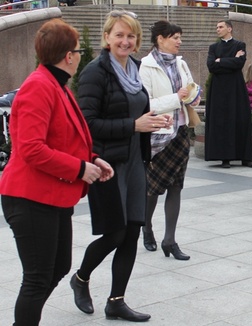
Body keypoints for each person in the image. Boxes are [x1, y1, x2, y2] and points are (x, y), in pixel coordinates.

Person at [0, 19, 113, 326]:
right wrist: (80, 169)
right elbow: (31, 148)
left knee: (59, 267)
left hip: (52, 197)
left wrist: (92, 159)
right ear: (69, 55)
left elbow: (62, 139)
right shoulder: (39, 87)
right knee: (37, 279)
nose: (80, 55)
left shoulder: (57, 86)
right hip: (29, 197)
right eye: (78, 50)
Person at [72, 10, 168, 322]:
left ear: (137, 40)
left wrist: (152, 121)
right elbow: (86, 124)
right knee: (114, 233)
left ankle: (116, 301)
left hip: (135, 161)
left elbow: (137, 110)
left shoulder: (135, 69)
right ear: (108, 38)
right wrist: (133, 125)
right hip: (107, 165)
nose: (125, 41)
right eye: (119, 35)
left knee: (132, 233)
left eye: (130, 36)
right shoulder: (95, 72)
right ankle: (81, 278)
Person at [139, 21, 200, 260]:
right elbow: (147, 104)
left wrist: (193, 97)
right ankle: (146, 227)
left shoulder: (181, 63)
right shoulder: (146, 66)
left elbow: (191, 90)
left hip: (181, 131)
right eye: (175, 37)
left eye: (180, 37)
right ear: (160, 39)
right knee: (153, 189)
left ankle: (170, 240)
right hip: (158, 135)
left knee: (176, 186)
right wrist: (176, 98)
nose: (179, 41)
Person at [205, 20, 252, 169]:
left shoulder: (240, 45)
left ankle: (246, 158)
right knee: (222, 121)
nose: (217, 29)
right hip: (219, 90)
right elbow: (211, 66)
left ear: (229, 29)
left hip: (236, 88)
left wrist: (220, 61)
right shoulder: (213, 47)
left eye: (220, 27)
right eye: (216, 27)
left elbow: (239, 64)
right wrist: (231, 60)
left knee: (241, 118)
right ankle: (225, 158)